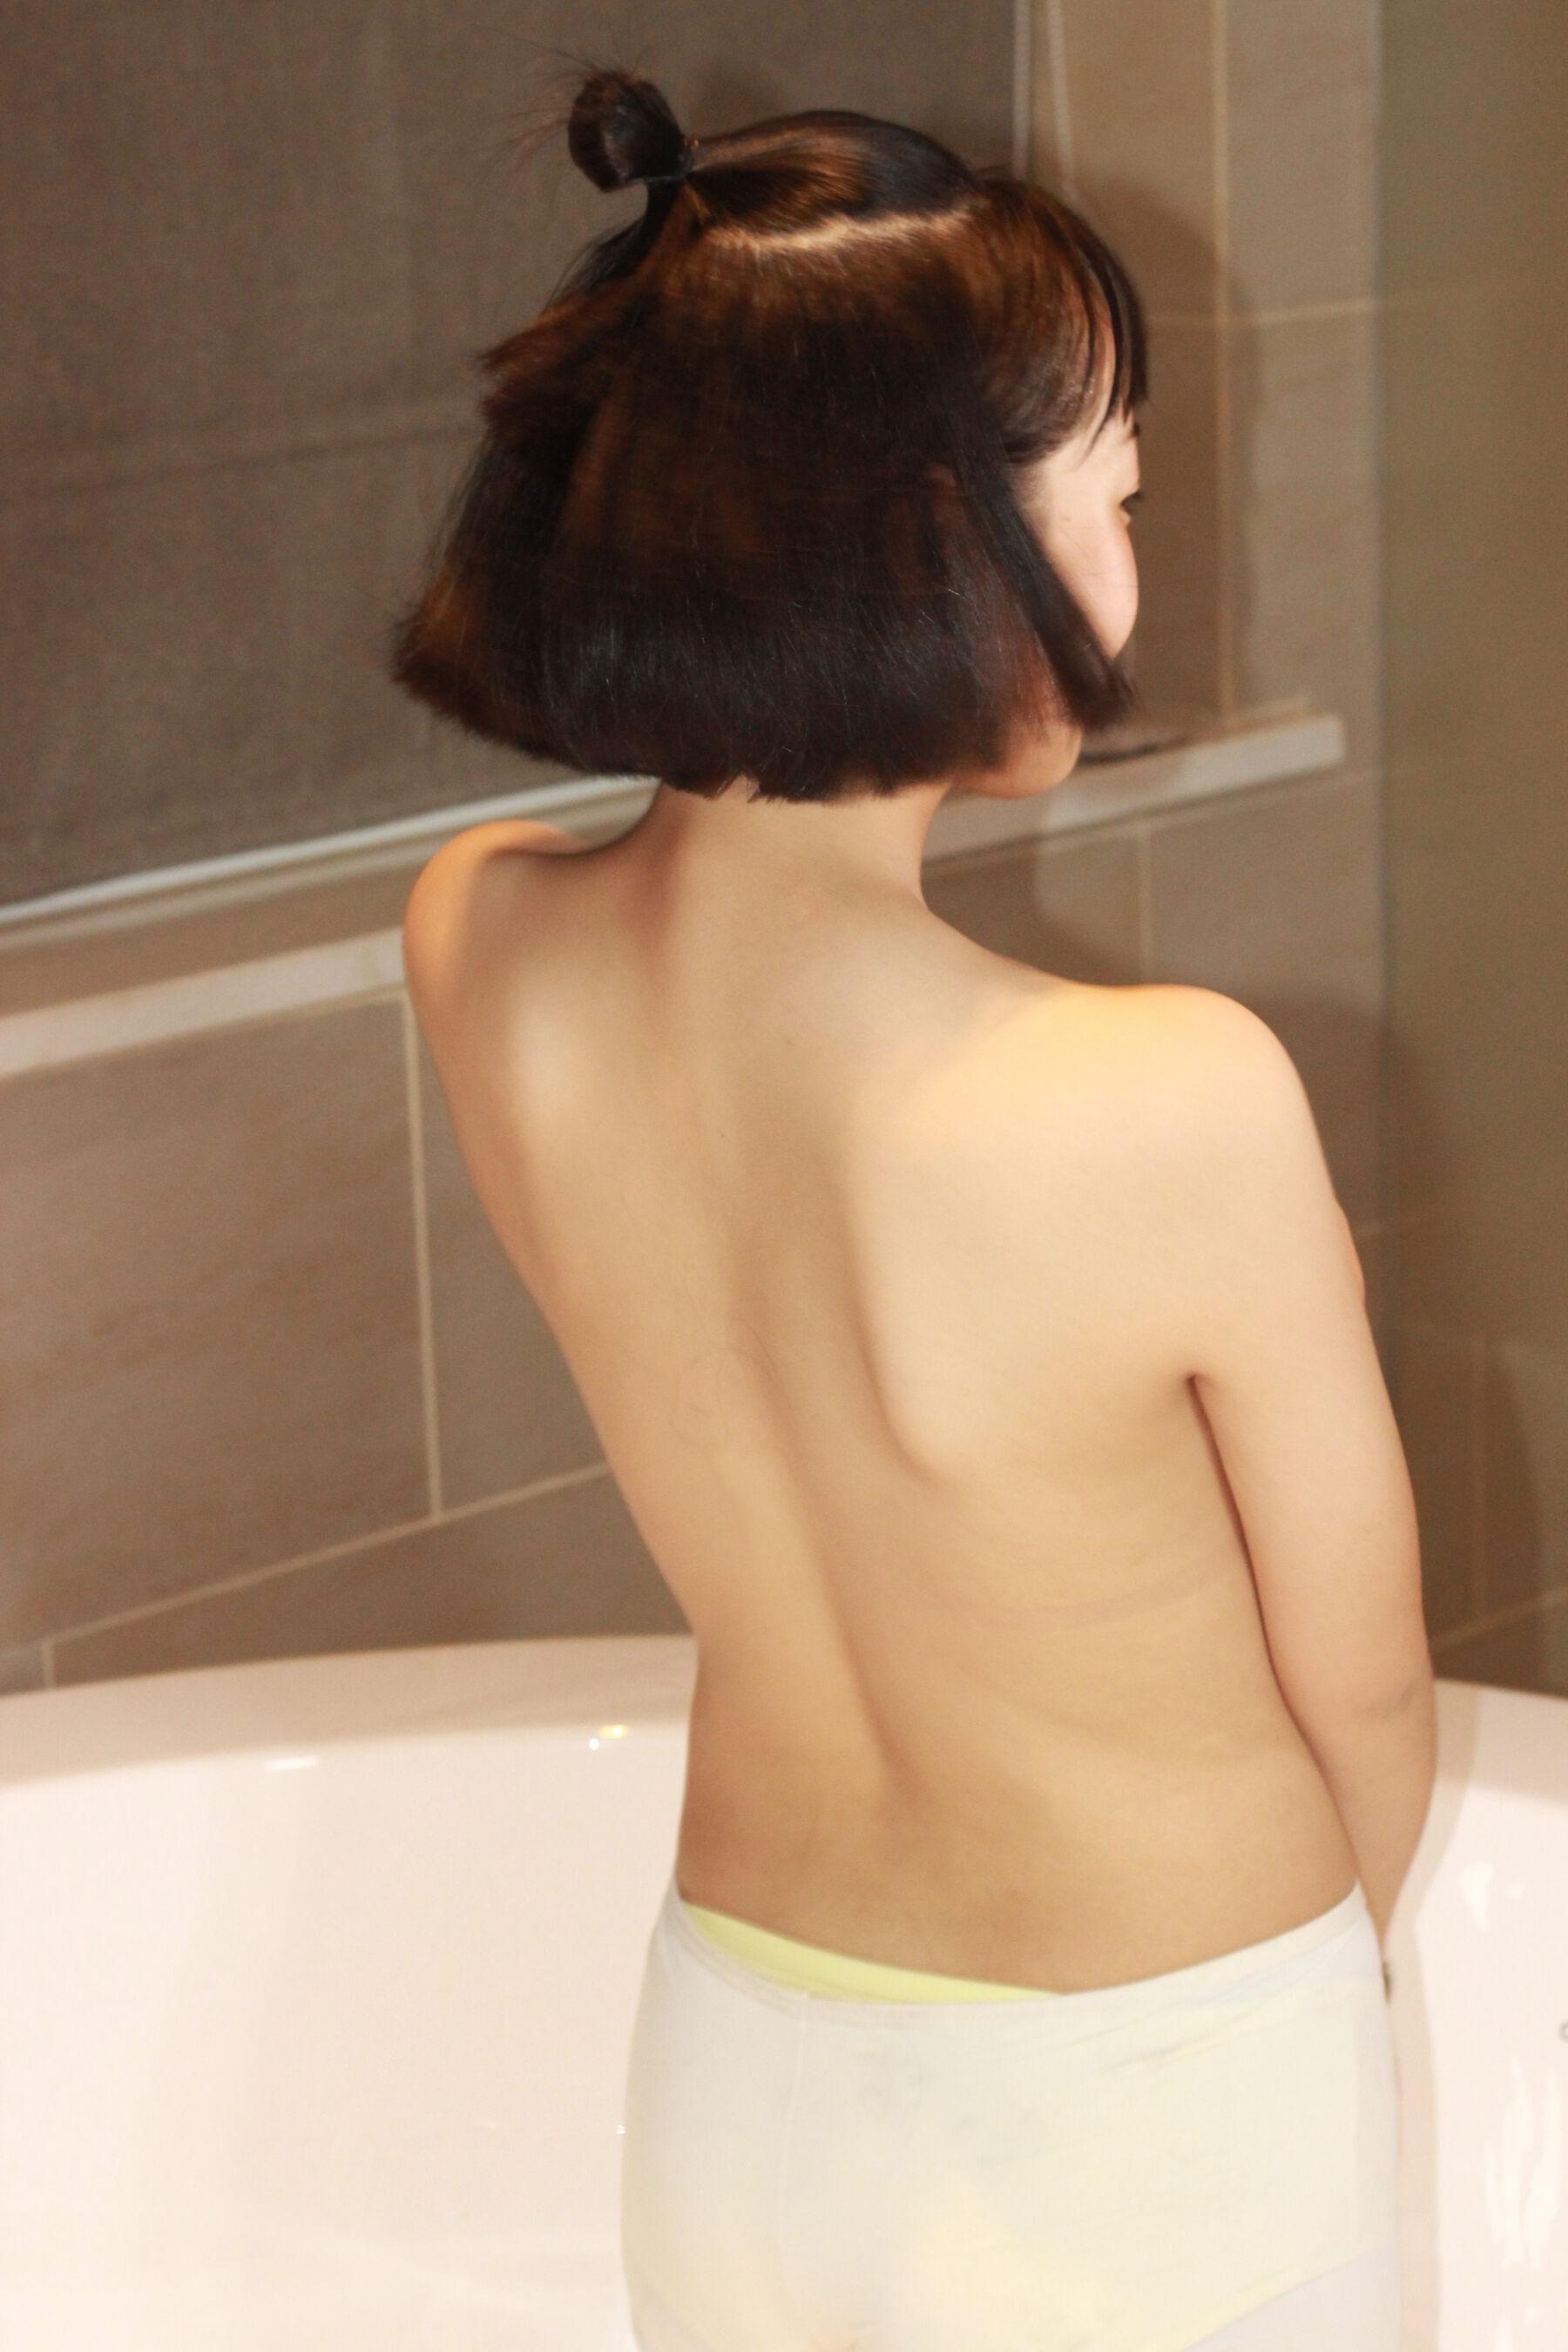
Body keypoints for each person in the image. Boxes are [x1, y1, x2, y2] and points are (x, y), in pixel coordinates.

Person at [390, 61, 1436, 2352]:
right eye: (1116, 497)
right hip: (1156, 2101)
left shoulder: (475, 940)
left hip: (739, 2082)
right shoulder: (1161, 1098)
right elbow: (1363, 1682)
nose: (1137, 567)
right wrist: (1285, 2033)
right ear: (929, 546)